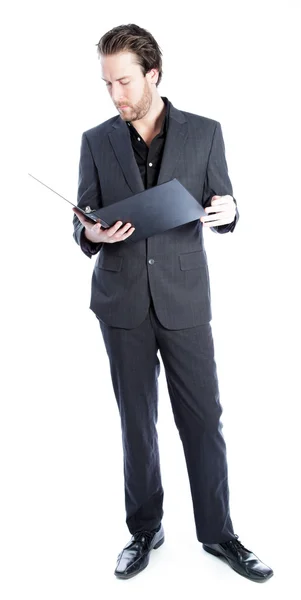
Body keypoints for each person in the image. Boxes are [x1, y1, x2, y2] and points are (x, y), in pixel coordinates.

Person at [72, 23, 273, 583]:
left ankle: (219, 532)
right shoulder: (95, 140)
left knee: (204, 420)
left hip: (185, 300)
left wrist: (230, 213)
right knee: (136, 423)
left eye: (124, 82)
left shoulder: (205, 133)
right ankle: (144, 529)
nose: (116, 95)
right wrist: (91, 234)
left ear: (153, 74)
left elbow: (225, 203)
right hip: (121, 300)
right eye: (107, 83)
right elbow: (81, 216)